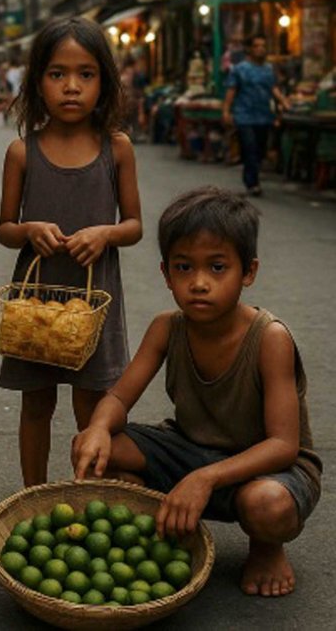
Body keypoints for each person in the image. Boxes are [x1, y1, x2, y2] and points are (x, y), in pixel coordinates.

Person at [72, 186, 322, 598]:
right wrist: (98, 426)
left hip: (267, 469)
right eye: (184, 268)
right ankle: (155, 524)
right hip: (190, 450)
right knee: (96, 448)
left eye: (218, 267)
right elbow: (118, 398)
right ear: (166, 274)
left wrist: (204, 479)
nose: (200, 283)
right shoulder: (166, 328)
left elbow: (283, 445)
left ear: (249, 272)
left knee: (266, 506)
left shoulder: (269, 338)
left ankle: (266, 547)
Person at [0, 16, 142, 487]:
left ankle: (87, 496)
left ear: (105, 81)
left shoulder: (116, 148)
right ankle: (31, 495)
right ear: (37, 82)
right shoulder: (23, 152)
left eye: (86, 74)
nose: (71, 87)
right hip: (35, 301)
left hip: (92, 296)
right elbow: (3, 228)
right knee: (36, 402)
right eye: (57, 74)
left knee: (91, 403)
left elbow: (135, 225)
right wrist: (28, 229)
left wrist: (105, 234)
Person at [222, 35, 292, 196]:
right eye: (257, 46)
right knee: (249, 147)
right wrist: (226, 111)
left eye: (263, 46)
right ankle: (252, 182)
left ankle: (253, 175)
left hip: (263, 115)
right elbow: (231, 91)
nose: (261, 49)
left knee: (260, 149)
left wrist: (284, 102)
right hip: (244, 114)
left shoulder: (268, 69)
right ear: (250, 49)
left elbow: (273, 89)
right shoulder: (239, 70)